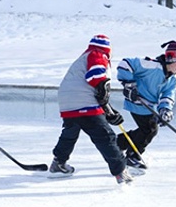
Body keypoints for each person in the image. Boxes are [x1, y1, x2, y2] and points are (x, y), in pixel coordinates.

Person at [49, 34, 133, 184]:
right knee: (105, 137)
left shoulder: (83, 58)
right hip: (83, 101)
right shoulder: (97, 54)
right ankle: (121, 172)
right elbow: (96, 78)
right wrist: (105, 93)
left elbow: (97, 94)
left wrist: (109, 111)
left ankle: (58, 164)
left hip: (67, 101)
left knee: (70, 133)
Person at [116, 40, 176, 169]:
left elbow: (168, 94)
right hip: (137, 101)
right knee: (150, 129)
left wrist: (165, 109)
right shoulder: (151, 65)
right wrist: (129, 85)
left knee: (146, 130)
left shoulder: (174, 78)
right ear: (170, 59)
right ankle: (133, 156)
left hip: (149, 105)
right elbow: (125, 64)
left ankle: (117, 143)